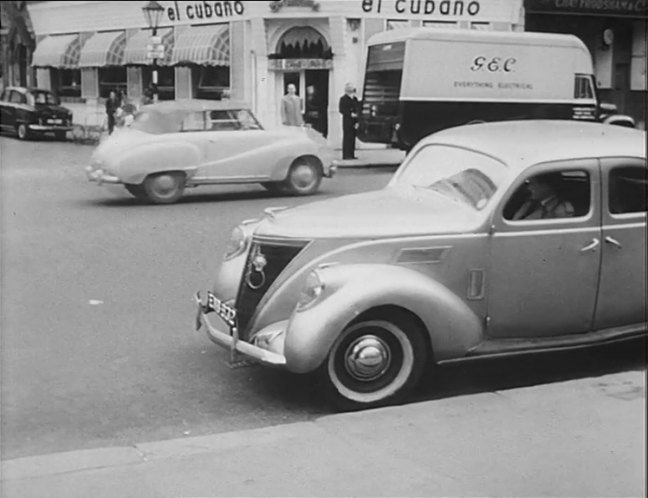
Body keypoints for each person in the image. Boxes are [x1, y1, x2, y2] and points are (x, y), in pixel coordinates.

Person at [339, 82, 359, 160]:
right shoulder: (343, 99)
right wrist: (350, 114)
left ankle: (351, 154)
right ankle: (346, 155)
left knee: (353, 137)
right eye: (350, 88)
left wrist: (357, 120)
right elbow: (341, 110)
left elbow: (357, 109)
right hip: (347, 120)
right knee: (347, 137)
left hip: (354, 120)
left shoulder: (355, 99)